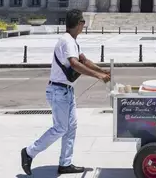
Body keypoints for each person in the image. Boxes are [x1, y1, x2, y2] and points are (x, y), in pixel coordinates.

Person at [21, 9, 110, 175]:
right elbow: (75, 64)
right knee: (60, 128)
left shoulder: (72, 41)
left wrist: (102, 70)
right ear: (80, 24)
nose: (83, 26)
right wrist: (98, 75)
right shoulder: (67, 41)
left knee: (70, 128)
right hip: (58, 90)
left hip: (66, 90)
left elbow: (84, 60)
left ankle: (65, 163)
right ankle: (29, 152)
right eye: (83, 23)